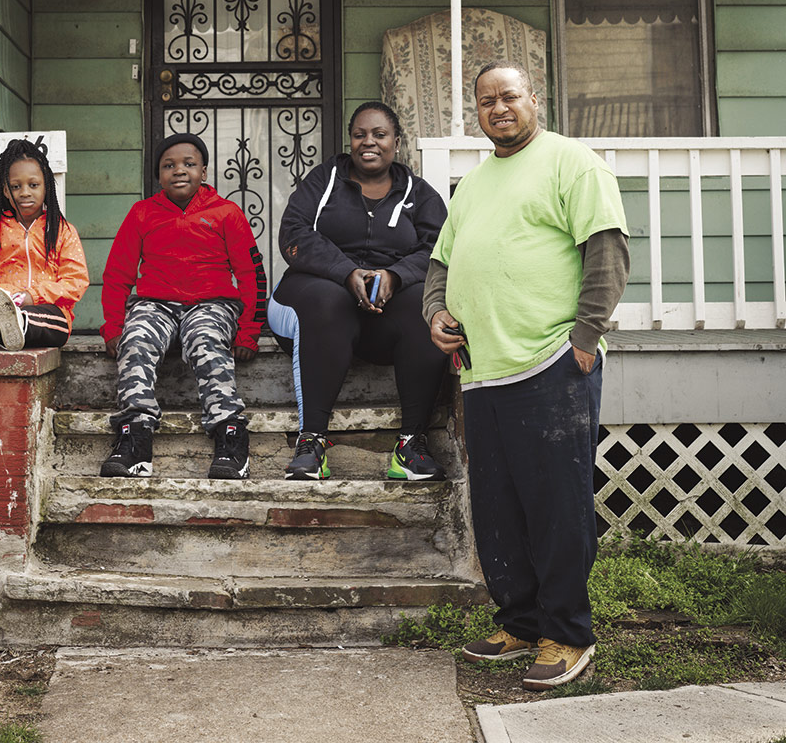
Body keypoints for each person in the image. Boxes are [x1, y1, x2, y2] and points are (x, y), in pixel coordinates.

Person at [424, 62, 630, 692]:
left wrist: (586, 337)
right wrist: (436, 312)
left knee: (555, 506)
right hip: (482, 370)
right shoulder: (474, 182)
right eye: (486, 101)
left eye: (509, 96)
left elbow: (607, 249)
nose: (498, 108)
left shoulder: (574, 163)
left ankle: (566, 634)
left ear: (533, 99)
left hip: (549, 360)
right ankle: (518, 620)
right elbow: (442, 262)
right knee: (499, 507)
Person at [268, 101, 450, 482]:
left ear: (396, 142)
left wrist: (395, 276)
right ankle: (312, 442)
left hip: (382, 316)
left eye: (379, 135)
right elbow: (294, 235)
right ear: (350, 140)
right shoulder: (324, 180)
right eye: (360, 134)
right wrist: (345, 271)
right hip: (314, 301)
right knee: (328, 300)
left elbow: (439, 250)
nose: (369, 142)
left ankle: (411, 445)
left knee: (425, 304)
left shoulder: (420, 194)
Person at [99, 132, 266, 481]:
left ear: (204, 171)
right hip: (155, 304)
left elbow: (251, 275)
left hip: (212, 303)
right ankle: (135, 438)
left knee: (204, 337)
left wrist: (249, 331)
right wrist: (114, 326)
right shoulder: (142, 213)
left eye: (189, 164)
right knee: (138, 337)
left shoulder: (225, 213)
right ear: (158, 175)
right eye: (169, 166)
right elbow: (118, 273)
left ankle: (230, 434)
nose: (179, 171)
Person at [0, 138, 89, 352]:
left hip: (51, 315)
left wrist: (31, 297)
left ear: (46, 186)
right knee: (0, 319)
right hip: (3, 306)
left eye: (33, 185)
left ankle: (4, 325)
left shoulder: (61, 230)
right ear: (6, 192)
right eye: (16, 186)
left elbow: (76, 281)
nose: (25, 192)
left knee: (25, 320)